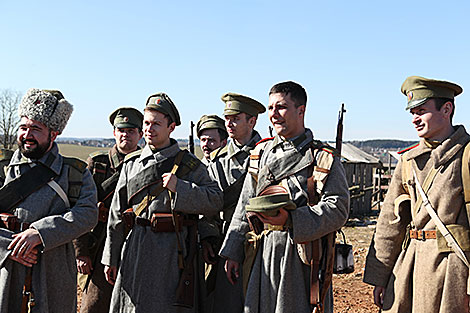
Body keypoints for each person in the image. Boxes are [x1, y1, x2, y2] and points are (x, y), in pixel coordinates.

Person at [219, 81, 349, 313]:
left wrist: (292, 220)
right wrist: (233, 251)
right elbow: (244, 206)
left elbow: (337, 209)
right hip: (263, 251)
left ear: (301, 111)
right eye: (270, 108)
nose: (274, 114)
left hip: (302, 256)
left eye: (281, 107)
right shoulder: (260, 154)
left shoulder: (322, 157)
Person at [101, 92, 223, 313]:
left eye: (156, 124)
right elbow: (116, 215)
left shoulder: (188, 165)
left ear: (171, 127)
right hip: (135, 247)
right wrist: (111, 256)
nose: (149, 129)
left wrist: (181, 188)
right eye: (146, 123)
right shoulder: (132, 163)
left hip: (171, 251)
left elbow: (215, 200)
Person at [364, 76, 470, 312]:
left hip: (453, 271)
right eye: (412, 112)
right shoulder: (408, 161)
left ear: (447, 109)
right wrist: (380, 277)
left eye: (421, 111)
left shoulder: (467, 155)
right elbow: (390, 222)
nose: (415, 119)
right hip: (409, 267)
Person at [0, 88, 98, 313]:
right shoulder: (1, 168)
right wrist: (10, 247)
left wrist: (40, 233)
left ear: (53, 134)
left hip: (54, 270)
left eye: (36, 128)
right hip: (6, 266)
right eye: (24, 127)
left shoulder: (75, 172)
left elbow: (87, 214)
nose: (27, 134)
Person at [74, 107, 143, 313]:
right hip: (100, 246)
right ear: (114, 133)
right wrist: (81, 251)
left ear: (140, 134)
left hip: (136, 242)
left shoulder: (148, 165)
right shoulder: (97, 164)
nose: (125, 135)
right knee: (94, 305)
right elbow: (80, 208)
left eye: (131, 131)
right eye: (121, 130)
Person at [202, 93, 265, 313]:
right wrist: (208, 236)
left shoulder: (267, 154)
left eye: (236, 118)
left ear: (252, 121)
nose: (229, 123)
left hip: (260, 245)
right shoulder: (217, 160)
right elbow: (207, 205)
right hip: (226, 243)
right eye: (227, 118)